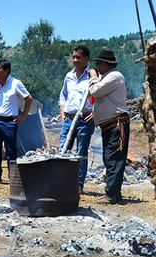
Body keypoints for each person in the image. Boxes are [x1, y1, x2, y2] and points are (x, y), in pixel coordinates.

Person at [0, 59, 33, 183]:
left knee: (11, 150)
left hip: (9, 121)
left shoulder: (16, 83)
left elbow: (29, 99)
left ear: (6, 71)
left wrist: (24, 116)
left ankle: (13, 175)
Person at [88, 50, 129, 204]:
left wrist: (93, 77)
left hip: (116, 124)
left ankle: (111, 194)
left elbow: (95, 91)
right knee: (111, 158)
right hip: (110, 125)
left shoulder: (114, 76)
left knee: (114, 159)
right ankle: (115, 193)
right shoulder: (107, 77)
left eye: (98, 63)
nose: (97, 67)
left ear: (104, 64)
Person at [59, 45, 96, 194]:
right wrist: (62, 112)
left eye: (78, 57)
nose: (75, 60)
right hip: (68, 119)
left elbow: (99, 96)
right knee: (63, 150)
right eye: (73, 57)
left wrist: (95, 112)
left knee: (81, 153)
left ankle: (78, 186)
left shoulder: (92, 76)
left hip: (84, 120)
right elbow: (63, 95)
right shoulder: (69, 76)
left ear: (86, 59)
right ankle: (60, 182)